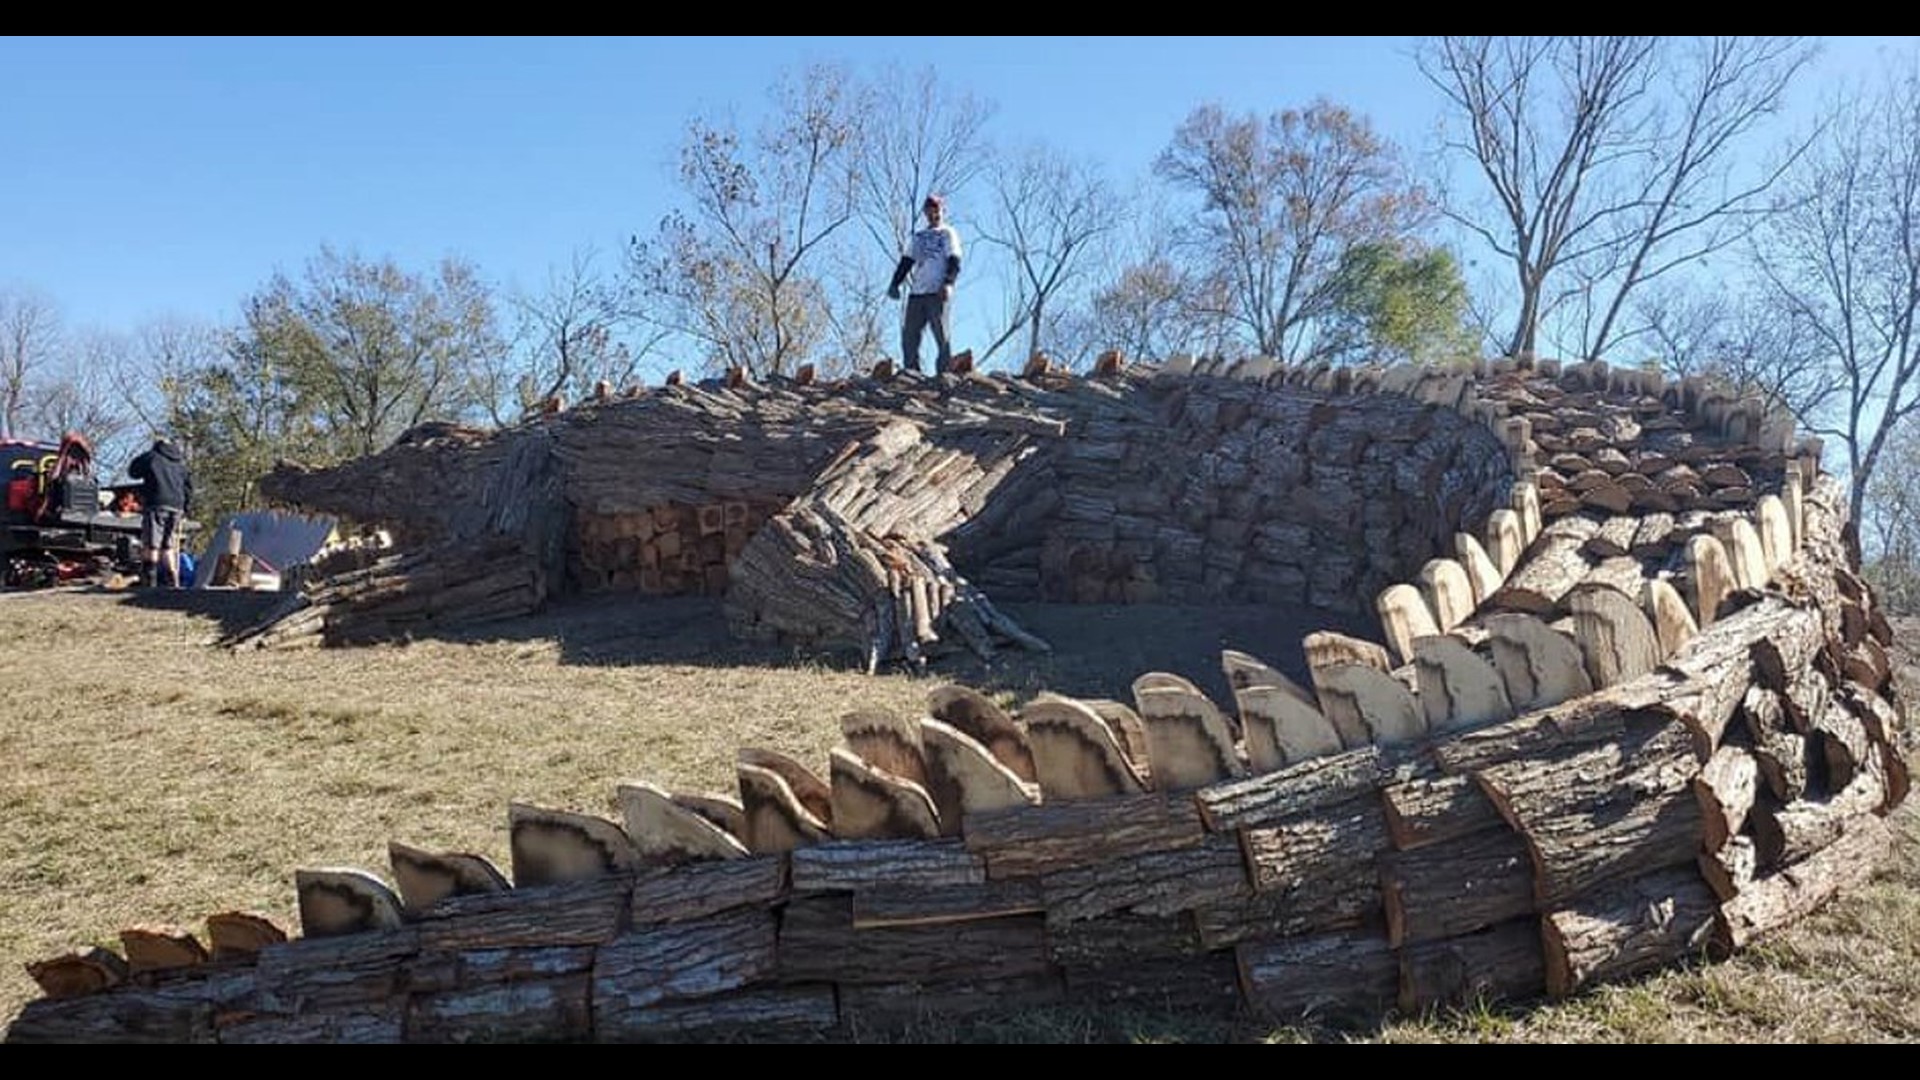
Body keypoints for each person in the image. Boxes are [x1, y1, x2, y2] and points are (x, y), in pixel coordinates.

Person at [887, 193, 963, 374]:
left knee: (941, 335)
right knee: (910, 336)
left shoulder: (947, 233)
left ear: (942, 210)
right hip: (917, 292)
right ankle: (912, 373)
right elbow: (907, 261)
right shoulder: (919, 236)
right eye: (929, 210)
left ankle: (944, 373)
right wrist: (895, 283)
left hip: (937, 291)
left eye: (936, 209)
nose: (933, 213)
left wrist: (948, 283)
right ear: (925, 212)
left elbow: (954, 259)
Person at [127, 436, 193, 588]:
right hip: (177, 506)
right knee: (168, 545)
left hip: (157, 503)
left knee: (152, 543)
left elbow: (133, 471)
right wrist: (185, 509)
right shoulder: (180, 464)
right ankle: (172, 581)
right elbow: (189, 488)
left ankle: (149, 580)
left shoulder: (152, 457)